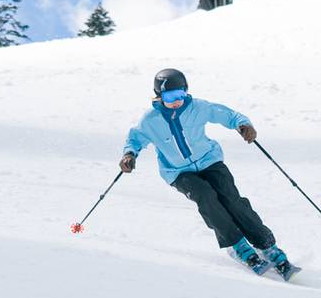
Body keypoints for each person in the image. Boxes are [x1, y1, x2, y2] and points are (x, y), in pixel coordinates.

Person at [120, 68, 294, 277]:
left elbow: (227, 114)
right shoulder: (150, 120)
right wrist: (129, 154)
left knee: (232, 199)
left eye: (180, 95)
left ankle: (267, 246)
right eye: (170, 96)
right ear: (158, 95)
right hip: (178, 171)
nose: (176, 101)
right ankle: (238, 246)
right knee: (206, 196)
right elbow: (135, 138)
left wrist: (243, 124)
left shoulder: (197, 107)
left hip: (209, 160)